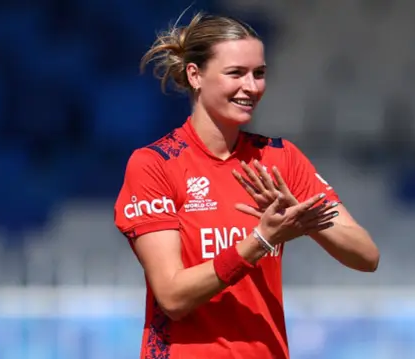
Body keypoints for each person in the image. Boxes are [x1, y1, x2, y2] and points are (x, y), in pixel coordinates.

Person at [114, 11, 380, 359]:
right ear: (195, 75)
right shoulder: (155, 165)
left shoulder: (280, 159)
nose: (251, 87)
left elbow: (367, 256)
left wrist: (306, 222)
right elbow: (173, 296)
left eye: (259, 74)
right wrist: (261, 240)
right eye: (236, 73)